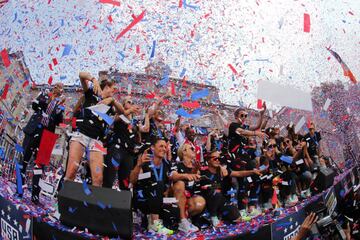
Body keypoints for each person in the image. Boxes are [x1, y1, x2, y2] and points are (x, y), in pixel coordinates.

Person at [64, 72, 123, 187]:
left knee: (98, 179)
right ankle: (63, 201)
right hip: (81, 134)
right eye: (113, 89)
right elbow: (81, 75)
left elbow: (122, 113)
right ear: (106, 87)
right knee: (71, 171)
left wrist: (112, 100)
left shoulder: (110, 105)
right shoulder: (91, 93)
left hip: (97, 141)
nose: (114, 92)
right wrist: (94, 79)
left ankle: (92, 204)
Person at [18, 83, 65, 204]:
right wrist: (50, 99)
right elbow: (34, 105)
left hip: (47, 136)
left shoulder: (60, 104)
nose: (60, 90)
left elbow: (60, 121)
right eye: (58, 87)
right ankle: (19, 189)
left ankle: (35, 195)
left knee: (40, 166)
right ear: (54, 88)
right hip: (34, 130)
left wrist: (60, 106)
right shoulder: (44, 94)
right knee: (24, 159)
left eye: (62, 89)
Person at [199, 150, 262, 226]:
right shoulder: (202, 171)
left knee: (236, 216)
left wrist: (253, 172)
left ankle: (221, 216)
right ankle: (213, 216)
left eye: (219, 158)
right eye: (215, 158)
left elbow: (238, 173)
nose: (218, 160)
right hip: (206, 201)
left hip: (220, 200)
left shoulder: (222, 171)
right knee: (216, 192)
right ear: (208, 160)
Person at [130, 138, 175, 235]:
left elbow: (168, 185)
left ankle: (152, 221)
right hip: (143, 200)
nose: (163, 149)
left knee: (175, 210)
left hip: (158, 200)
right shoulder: (145, 162)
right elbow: (132, 181)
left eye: (165, 147)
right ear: (153, 148)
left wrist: (167, 193)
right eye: (161, 146)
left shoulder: (167, 164)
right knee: (157, 184)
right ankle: (155, 223)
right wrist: (138, 166)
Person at [227, 104, 267, 211]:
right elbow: (243, 132)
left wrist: (261, 114)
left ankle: (251, 206)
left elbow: (257, 126)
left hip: (245, 157)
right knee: (243, 183)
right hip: (236, 158)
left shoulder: (244, 126)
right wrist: (256, 133)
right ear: (236, 116)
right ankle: (241, 210)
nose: (244, 117)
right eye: (242, 115)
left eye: (246, 115)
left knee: (256, 178)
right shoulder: (233, 125)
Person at [102, 96, 143, 190]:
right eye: (129, 102)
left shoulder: (135, 120)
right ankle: (103, 200)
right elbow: (112, 121)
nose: (131, 104)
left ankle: (123, 202)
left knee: (125, 182)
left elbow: (142, 131)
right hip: (117, 148)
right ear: (123, 104)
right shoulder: (119, 114)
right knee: (109, 176)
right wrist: (129, 111)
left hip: (129, 152)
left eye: (133, 103)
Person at [169, 143, 206, 233]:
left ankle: (186, 219)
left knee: (200, 202)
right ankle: (183, 221)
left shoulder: (195, 166)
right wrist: (186, 175)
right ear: (184, 152)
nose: (194, 150)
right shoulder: (176, 164)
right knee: (180, 183)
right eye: (191, 148)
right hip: (175, 197)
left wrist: (195, 171)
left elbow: (192, 183)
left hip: (189, 198)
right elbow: (173, 176)